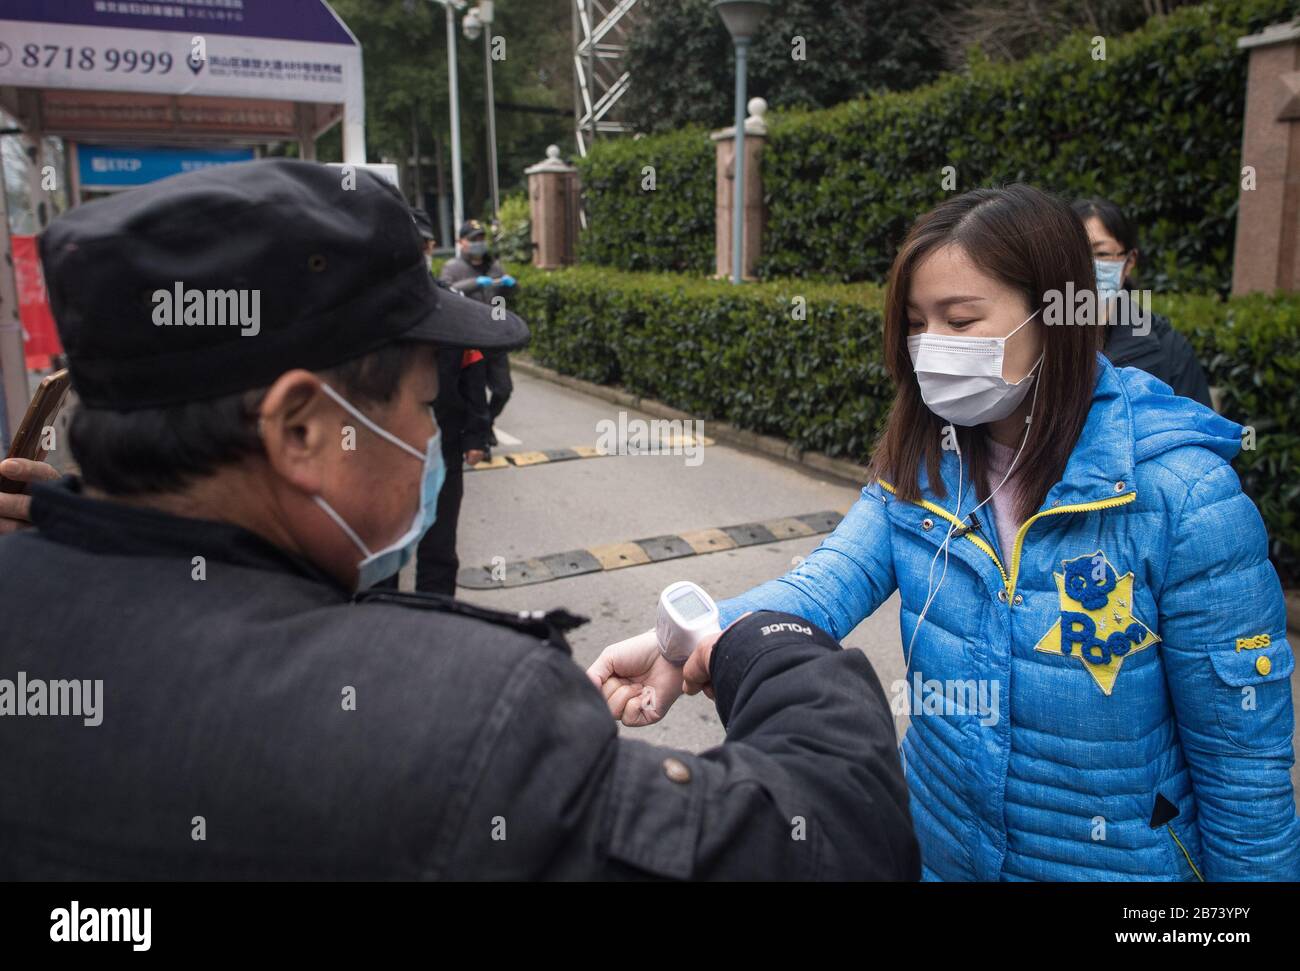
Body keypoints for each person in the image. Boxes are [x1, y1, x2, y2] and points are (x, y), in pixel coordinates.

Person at [0, 158, 918, 880]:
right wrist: (756, 643)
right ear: (303, 430)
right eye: (421, 401)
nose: (432, 434)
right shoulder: (468, 719)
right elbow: (830, 833)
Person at [591, 184, 1298, 882]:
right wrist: (676, 642)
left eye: (960, 320)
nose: (932, 348)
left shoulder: (1184, 496)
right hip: (938, 854)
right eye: (916, 323)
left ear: (1054, 316)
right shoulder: (923, 464)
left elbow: (1244, 768)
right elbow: (824, 584)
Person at [1072, 197, 1212, 407]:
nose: (1088, 266)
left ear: (1129, 262)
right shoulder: (1034, 339)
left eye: (1100, 253)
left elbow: (1199, 430)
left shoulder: (1169, 350)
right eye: (1076, 254)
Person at [440, 220, 515, 445]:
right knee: (476, 396)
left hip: (495, 338)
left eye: (481, 239)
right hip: (471, 340)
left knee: (503, 390)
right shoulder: (452, 267)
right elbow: (446, 293)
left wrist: (512, 287)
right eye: (473, 240)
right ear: (461, 242)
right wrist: (475, 283)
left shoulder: (494, 267)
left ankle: (487, 424)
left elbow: (504, 298)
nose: (478, 244)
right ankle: (479, 439)